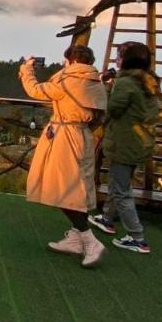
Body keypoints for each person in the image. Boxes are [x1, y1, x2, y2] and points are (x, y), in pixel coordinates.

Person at [19, 46, 108, 267]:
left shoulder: (68, 81)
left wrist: (26, 69)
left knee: (64, 187)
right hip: (83, 135)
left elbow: (36, 90)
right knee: (76, 186)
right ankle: (76, 239)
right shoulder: (95, 81)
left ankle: (89, 240)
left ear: (70, 60)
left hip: (65, 137)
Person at [87, 41, 160, 254]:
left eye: (120, 56)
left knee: (121, 190)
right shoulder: (147, 81)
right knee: (120, 182)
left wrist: (105, 89)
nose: (116, 60)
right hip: (139, 142)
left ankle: (137, 237)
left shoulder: (126, 83)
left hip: (124, 141)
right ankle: (107, 218)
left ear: (129, 60)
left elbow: (113, 110)